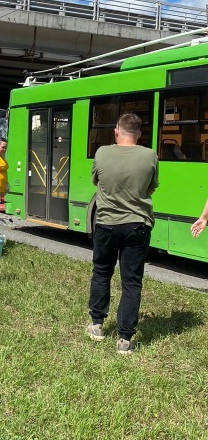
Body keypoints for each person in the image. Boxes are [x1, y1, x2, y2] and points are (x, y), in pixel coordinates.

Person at [86, 113, 158, 355]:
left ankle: (97, 325)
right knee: (132, 282)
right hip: (137, 225)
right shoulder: (150, 155)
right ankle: (125, 339)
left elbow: (96, 181)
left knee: (101, 273)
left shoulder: (102, 153)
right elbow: (151, 187)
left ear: (116, 130)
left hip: (106, 224)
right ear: (139, 134)